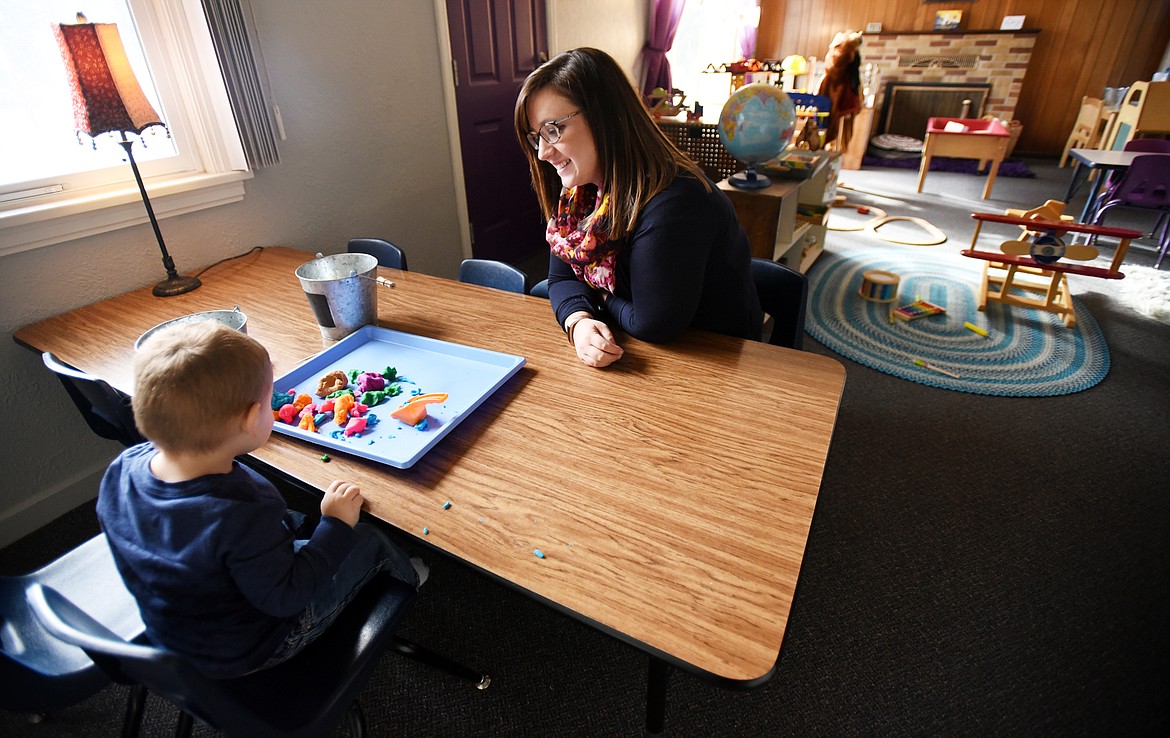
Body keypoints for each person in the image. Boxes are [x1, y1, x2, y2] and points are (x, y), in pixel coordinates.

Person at [97, 322, 426, 679]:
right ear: (252, 418)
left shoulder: (121, 469)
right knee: (366, 537)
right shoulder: (240, 514)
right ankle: (408, 577)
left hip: (176, 632)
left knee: (295, 524)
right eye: (270, 402)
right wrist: (334, 525)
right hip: (257, 645)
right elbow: (288, 596)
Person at [514, 47, 762, 368]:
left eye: (553, 130)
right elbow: (560, 277)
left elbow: (653, 323)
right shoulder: (581, 194)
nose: (543, 153)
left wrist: (600, 297)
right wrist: (579, 321)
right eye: (537, 137)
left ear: (605, 116)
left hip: (716, 359)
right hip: (646, 355)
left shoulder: (675, 202)